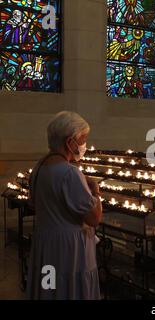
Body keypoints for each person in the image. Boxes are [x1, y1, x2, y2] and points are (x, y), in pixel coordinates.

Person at [27, 111, 103, 300]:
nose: (84, 145)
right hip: (69, 249)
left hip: (46, 244)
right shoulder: (70, 173)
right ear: (70, 142)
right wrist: (95, 191)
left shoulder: (39, 167)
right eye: (83, 140)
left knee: (50, 289)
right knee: (69, 289)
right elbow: (94, 218)